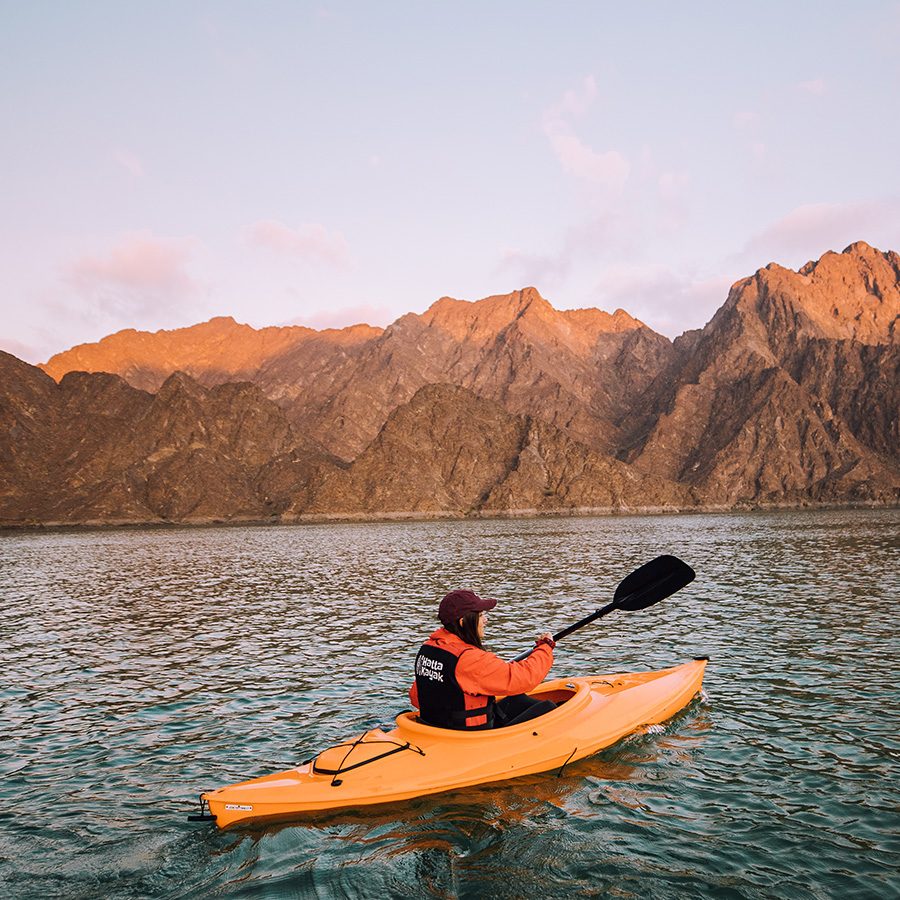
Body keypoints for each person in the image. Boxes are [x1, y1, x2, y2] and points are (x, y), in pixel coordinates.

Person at [409, 589, 557, 730]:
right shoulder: (470, 659)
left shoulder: (429, 648)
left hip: (434, 726)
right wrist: (546, 647)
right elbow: (526, 678)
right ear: (463, 622)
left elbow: (416, 697)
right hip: (467, 736)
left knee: (517, 699)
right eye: (480, 616)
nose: (485, 620)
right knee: (549, 708)